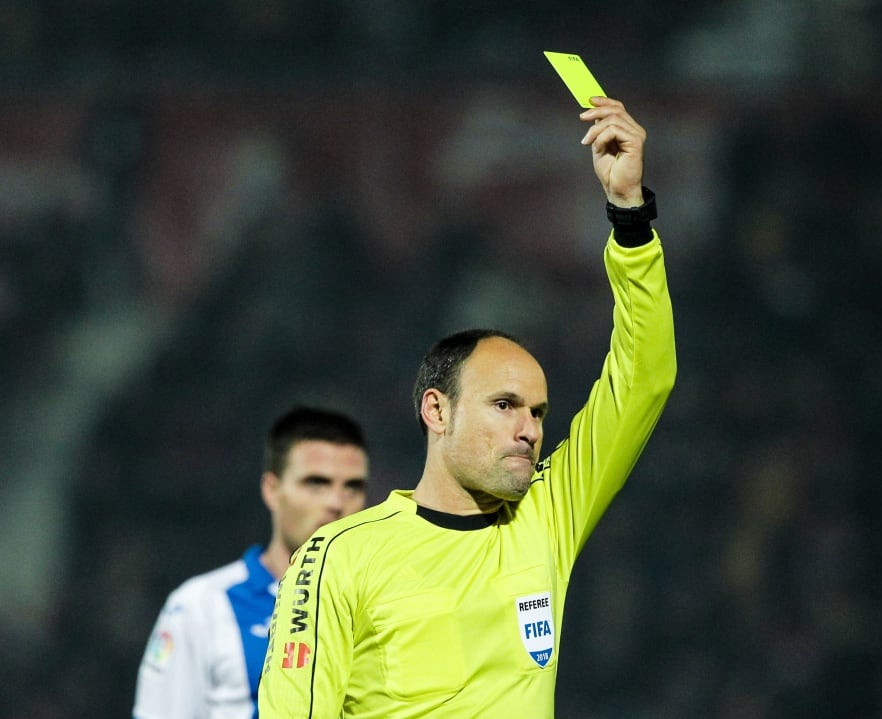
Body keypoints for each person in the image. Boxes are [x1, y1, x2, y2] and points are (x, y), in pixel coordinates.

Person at [258, 96, 676, 718]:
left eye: (537, 412)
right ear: (437, 411)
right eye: (504, 404)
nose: (528, 429)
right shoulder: (341, 555)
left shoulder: (547, 517)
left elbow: (644, 378)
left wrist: (630, 215)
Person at [133, 406, 371, 719]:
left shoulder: (385, 604)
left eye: (352, 486)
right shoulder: (201, 606)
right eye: (316, 483)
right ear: (272, 490)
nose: (337, 503)